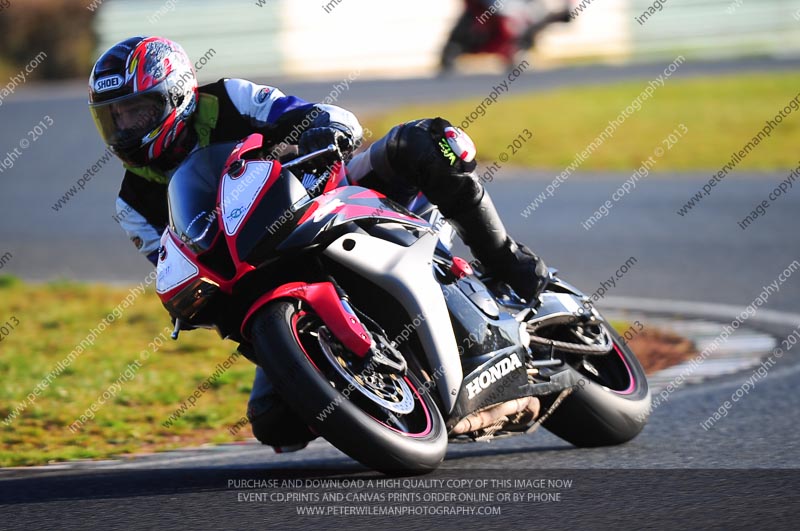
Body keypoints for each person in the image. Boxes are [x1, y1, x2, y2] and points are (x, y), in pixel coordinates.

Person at [88, 36, 548, 452]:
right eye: (114, 116)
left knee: (422, 143)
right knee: (275, 423)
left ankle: (506, 262)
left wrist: (324, 130)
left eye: (137, 110)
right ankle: (382, 395)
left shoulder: (229, 98)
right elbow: (174, 263)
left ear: (175, 95)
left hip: (328, 197)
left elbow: (320, 114)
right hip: (258, 274)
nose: (124, 127)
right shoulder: (132, 204)